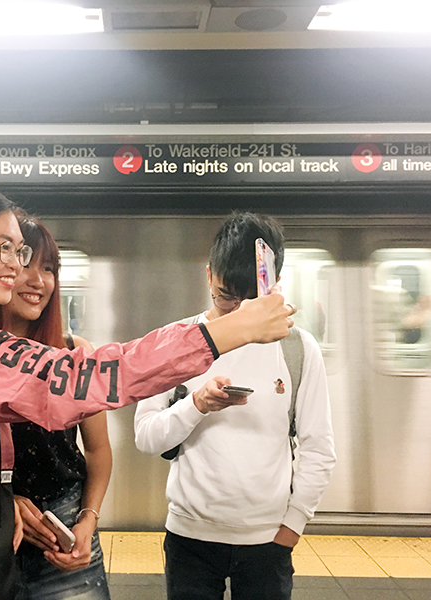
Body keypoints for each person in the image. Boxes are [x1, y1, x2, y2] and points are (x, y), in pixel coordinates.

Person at [0, 184, 296, 600]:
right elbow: (79, 380)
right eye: (3, 247)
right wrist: (224, 333)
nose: (16, 266)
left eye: (20, 250)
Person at [134, 213, 336, 600]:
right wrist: (196, 405)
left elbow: (318, 447)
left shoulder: (298, 348)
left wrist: (292, 527)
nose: (240, 313)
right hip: (189, 538)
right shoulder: (174, 342)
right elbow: (146, 436)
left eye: (252, 301)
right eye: (227, 298)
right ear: (209, 275)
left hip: (267, 543)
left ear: (276, 285)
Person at [0, 216, 111, 600]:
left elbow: (99, 450)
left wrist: (88, 521)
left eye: (49, 269)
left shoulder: (73, 352)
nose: (39, 281)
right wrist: (3, 498)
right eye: (25, 264)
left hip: (64, 529)